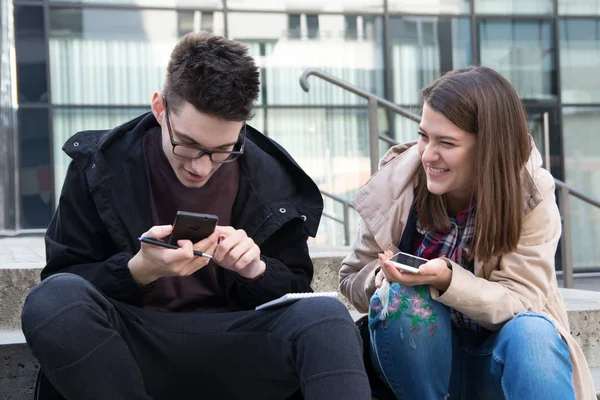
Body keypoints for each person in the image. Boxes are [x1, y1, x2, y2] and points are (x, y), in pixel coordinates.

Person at [21, 31, 371, 400]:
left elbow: (297, 293)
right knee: (51, 300)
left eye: (223, 150)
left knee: (328, 317)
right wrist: (139, 270)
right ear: (160, 109)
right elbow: (63, 280)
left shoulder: (272, 178)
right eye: (187, 144)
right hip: (129, 346)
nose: (202, 167)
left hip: (237, 343)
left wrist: (256, 270)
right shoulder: (101, 166)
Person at [339, 66, 596, 400]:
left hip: (497, 360)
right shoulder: (397, 184)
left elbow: (523, 300)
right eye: (423, 136)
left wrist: (447, 280)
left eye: (446, 142)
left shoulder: (530, 193)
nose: (428, 154)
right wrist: (378, 278)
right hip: (416, 367)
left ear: (489, 147)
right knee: (405, 301)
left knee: (533, 332)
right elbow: (349, 278)